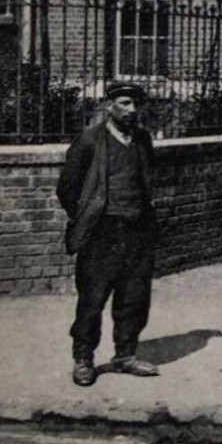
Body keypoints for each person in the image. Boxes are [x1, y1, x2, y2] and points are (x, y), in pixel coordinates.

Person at [55, 82, 160, 387]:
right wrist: (87, 218)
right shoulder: (90, 140)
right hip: (103, 233)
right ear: (109, 105)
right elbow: (67, 188)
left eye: (136, 104)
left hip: (138, 230)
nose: (132, 110)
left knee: (134, 297)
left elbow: (147, 178)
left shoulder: (142, 139)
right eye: (125, 103)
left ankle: (125, 355)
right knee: (93, 297)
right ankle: (84, 358)